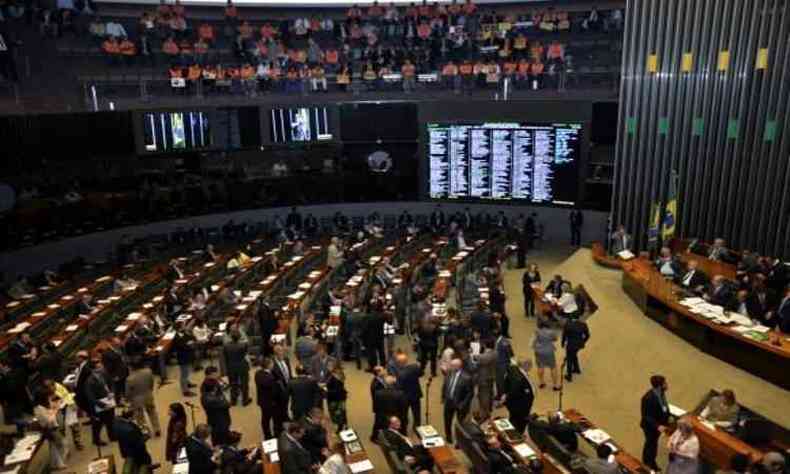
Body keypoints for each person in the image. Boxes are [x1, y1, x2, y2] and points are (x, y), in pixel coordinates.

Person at [641, 375, 671, 471]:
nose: (667, 385)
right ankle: (649, 465)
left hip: (659, 425)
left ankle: (649, 462)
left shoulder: (660, 393)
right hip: (650, 427)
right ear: (660, 386)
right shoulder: (648, 398)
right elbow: (646, 416)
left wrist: (668, 415)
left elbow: (663, 406)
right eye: (665, 383)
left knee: (651, 444)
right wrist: (658, 426)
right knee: (651, 445)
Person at [114, 409, 158, 474]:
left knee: (134, 466)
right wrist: (146, 436)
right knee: (144, 467)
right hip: (138, 454)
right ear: (130, 417)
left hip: (126, 451)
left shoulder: (117, 423)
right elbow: (139, 444)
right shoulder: (130, 430)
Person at [125, 359, 162, 436]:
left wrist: (128, 399)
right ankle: (157, 428)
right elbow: (151, 382)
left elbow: (128, 392)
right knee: (152, 412)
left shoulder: (129, 378)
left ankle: (145, 431)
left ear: (131, 367)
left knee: (140, 416)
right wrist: (150, 390)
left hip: (136, 399)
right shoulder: (148, 372)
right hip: (148, 395)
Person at [441, 358, 473, 445]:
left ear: (458, 367)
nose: (450, 367)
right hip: (448, 402)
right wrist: (443, 397)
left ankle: (460, 442)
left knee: (460, 424)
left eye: (452, 366)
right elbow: (445, 385)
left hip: (459, 404)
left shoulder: (467, 378)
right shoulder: (449, 374)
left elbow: (470, 394)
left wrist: (462, 405)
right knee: (447, 420)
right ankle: (448, 437)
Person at [85, 359, 117, 446]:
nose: (101, 369)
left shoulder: (104, 374)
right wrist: (102, 404)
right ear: (92, 370)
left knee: (111, 420)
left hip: (110, 400)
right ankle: (96, 440)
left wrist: (112, 392)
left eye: (101, 367)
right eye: (98, 368)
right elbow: (91, 397)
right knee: (98, 424)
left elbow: (111, 383)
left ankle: (112, 436)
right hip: (100, 405)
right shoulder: (89, 381)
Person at [33, 390, 68, 470]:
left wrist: (56, 405)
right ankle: (58, 463)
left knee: (53, 446)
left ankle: (56, 464)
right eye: (47, 397)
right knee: (61, 444)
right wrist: (54, 411)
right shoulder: (39, 408)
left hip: (52, 427)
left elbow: (51, 408)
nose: (49, 398)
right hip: (49, 429)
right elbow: (48, 420)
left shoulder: (42, 405)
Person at [502, 358, 535, 434]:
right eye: (530, 365)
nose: (531, 367)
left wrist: (505, 394)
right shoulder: (519, 380)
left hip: (513, 406)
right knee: (519, 424)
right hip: (520, 408)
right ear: (526, 366)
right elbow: (514, 392)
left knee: (513, 420)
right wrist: (506, 396)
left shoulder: (513, 369)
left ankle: (512, 433)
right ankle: (517, 436)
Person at [201, 366, 231, 446]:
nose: (217, 374)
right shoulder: (211, 399)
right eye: (215, 373)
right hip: (218, 421)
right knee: (219, 440)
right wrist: (223, 398)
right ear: (209, 375)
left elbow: (225, 387)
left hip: (218, 419)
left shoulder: (213, 382)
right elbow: (227, 404)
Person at [372, 375, 407, 442]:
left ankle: (375, 438)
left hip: (382, 417)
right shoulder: (400, 394)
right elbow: (404, 409)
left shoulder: (378, 393)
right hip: (396, 417)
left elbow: (376, 406)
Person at [394, 353, 422, 432]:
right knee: (416, 413)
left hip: (404, 397)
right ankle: (417, 428)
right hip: (416, 394)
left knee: (404, 414)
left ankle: (404, 429)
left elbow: (399, 386)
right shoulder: (415, 367)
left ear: (400, 363)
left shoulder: (400, 373)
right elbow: (420, 373)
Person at [224, 329, 251, 406]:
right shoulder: (244, 345)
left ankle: (233, 400)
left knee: (233, 384)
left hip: (231, 366)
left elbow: (226, 358)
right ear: (239, 337)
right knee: (244, 384)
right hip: (242, 366)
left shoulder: (226, 346)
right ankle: (245, 400)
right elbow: (246, 354)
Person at [532, 320, 560, 390]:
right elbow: (555, 339)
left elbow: (534, 341)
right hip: (549, 351)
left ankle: (541, 382)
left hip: (539, 351)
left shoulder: (537, 331)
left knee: (540, 366)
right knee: (553, 367)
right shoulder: (551, 332)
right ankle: (555, 385)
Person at [561, 314, 590, 382]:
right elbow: (588, 335)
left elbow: (564, 335)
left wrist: (562, 343)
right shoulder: (583, 324)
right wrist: (583, 341)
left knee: (569, 359)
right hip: (579, 344)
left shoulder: (567, 325)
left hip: (570, 344)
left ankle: (569, 376)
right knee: (574, 355)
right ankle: (577, 369)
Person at [476, 339, 497, 420]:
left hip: (484, 378)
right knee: (490, 393)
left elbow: (477, 358)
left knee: (484, 396)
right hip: (491, 376)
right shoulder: (495, 353)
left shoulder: (486, 356)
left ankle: (484, 414)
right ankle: (489, 409)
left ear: (485, 345)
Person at [325, 362, 348, 433]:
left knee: (337, 413)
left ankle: (340, 427)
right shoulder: (338, 374)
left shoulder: (335, 377)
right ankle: (344, 424)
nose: (327, 367)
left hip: (335, 398)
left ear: (334, 367)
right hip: (341, 396)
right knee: (342, 411)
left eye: (329, 366)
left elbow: (336, 390)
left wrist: (326, 391)